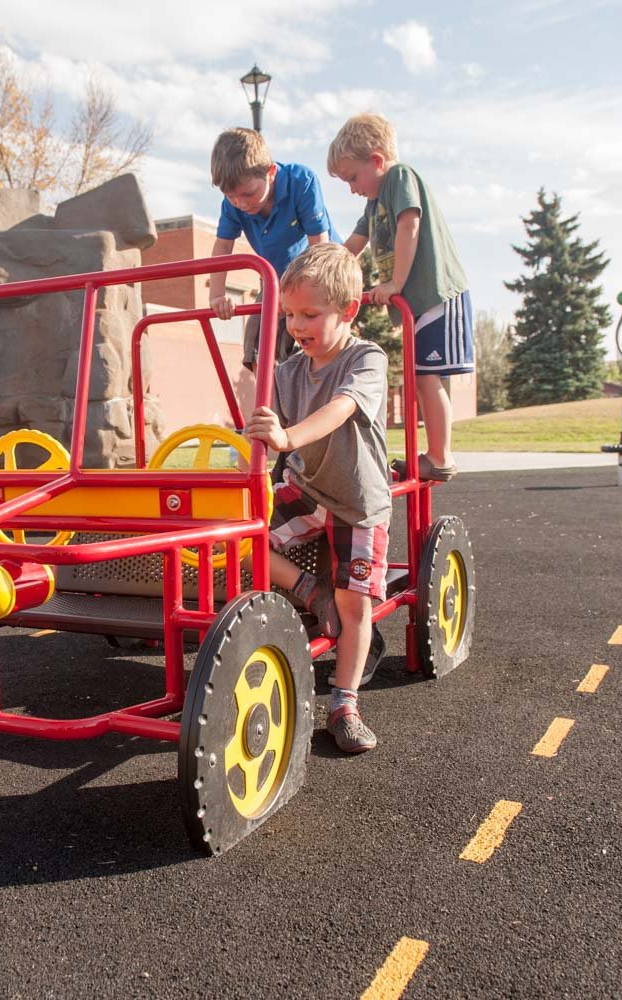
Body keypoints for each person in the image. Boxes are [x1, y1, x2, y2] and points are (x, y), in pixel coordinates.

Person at [245, 243, 390, 754]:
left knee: (356, 604)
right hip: (308, 488)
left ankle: (344, 703)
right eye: (288, 314)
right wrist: (260, 434)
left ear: (348, 311)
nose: (296, 325)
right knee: (244, 538)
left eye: (310, 314)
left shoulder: (365, 359)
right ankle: (310, 590)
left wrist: (286, 438)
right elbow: (266, 434)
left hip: (357, 501)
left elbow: (341, 409)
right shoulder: (286, 372)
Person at [328, 112, 471, 481]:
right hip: (417, 302)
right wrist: (324, 274)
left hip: (437, 293)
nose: (352, 187)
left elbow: (410, 223)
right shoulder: (373, 205)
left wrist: (394, 283)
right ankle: (435, 454)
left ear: (376, 161)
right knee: (420, 376)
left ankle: (440, 456)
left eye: (352, 178)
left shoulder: (399, 178)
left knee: (428, 377)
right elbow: (352, 248)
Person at [207, 127, 339, 372]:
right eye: (231, 196)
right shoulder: (233, 204)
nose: (241, 203)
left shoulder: (301, 181)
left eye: (248, 193)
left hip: (320, 274)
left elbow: (319, 244)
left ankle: (316, 396)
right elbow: (223, 245)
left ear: (270, 172)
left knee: (310, 338)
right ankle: (270, 405)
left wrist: (298, 298)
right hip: (276, 279)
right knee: (256, 341)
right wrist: (216, 295)